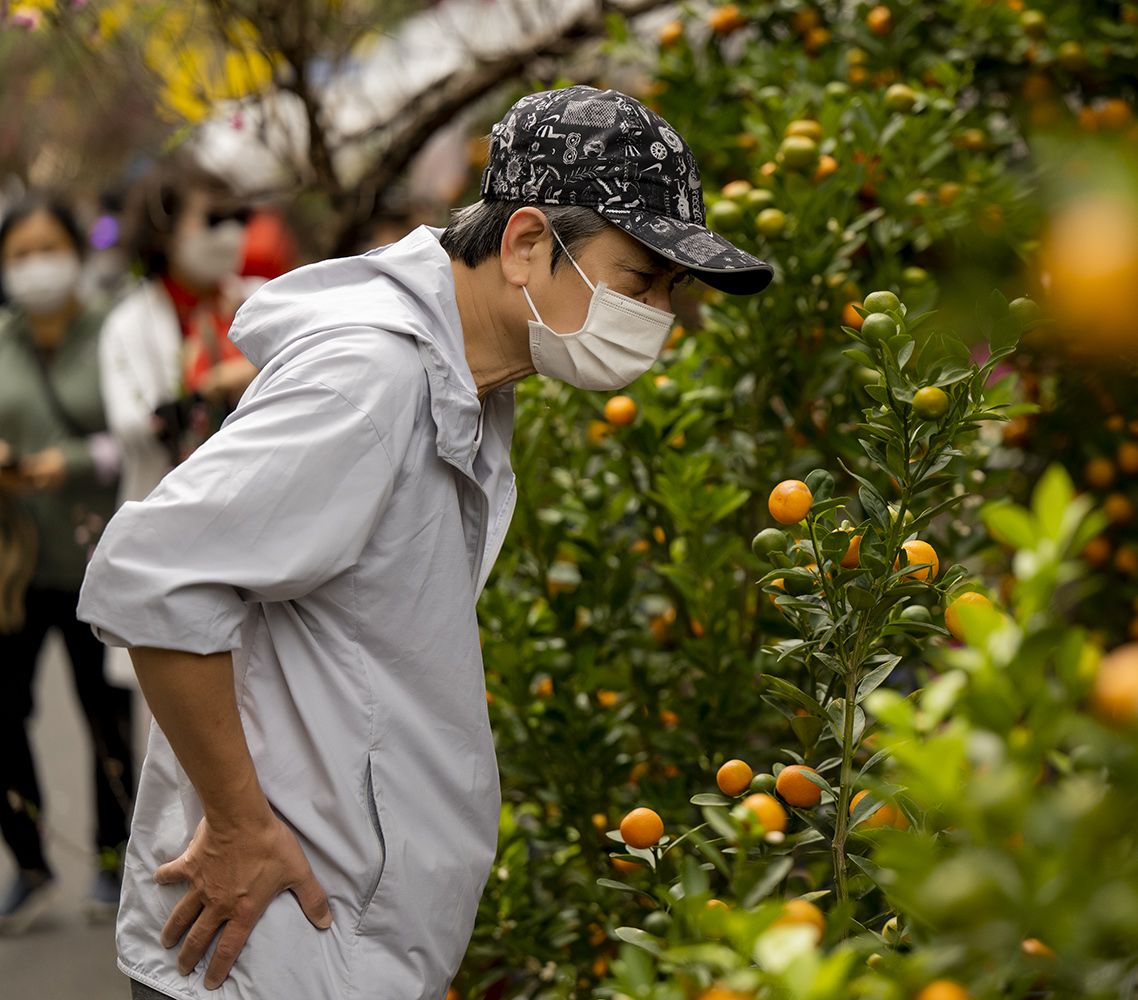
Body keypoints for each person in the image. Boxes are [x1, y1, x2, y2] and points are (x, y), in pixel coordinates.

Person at [77, 86, 772, 1000]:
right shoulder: (372, 380)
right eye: (642, 281)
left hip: (342, 943)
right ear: (526, 245)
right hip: (273, 953)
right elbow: (152, 577)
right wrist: (241, 824)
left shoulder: (468, 383)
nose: (662, 316)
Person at [0, 196, 134, 932]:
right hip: (15, 571)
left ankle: (116, 868)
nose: (35, 266)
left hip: (100, 559)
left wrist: (71, 460)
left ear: (77, 253)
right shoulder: (0, 338)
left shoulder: (113, 330)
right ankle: (29, 859)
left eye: (48, 248)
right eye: (19, 255)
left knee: (108, 723)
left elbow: (140, 428)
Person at [101, 156, 259, 505]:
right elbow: (133, 427)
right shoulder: (128, 325)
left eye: (239, 218)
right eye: (214, 219)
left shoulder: (263, 297)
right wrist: (209, 391)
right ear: (163, 232)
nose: (230, 232)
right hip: (166, 504)